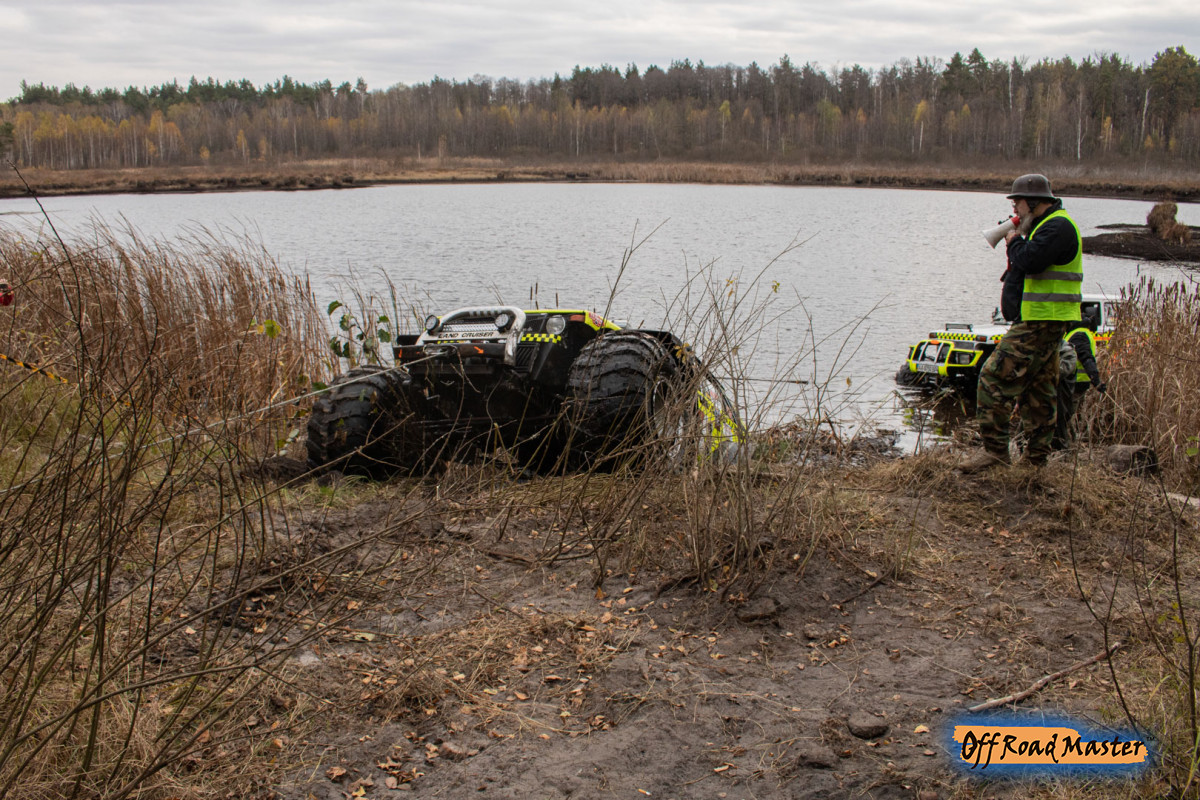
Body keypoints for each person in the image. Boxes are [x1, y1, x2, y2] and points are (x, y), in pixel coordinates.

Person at [960, 174, 1083, 472]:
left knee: (992, 377)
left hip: (1042, 321)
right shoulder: (1048, 224)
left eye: (1018, 203)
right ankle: (1035, 462)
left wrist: (1013, 242)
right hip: (1043, 320)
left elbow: (1029, 260)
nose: (1015, 210)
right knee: (1039, 390)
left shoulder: (1057, 226)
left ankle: (995, 451)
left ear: (1033, 202)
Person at [1052, 305, 1106, 449]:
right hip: (1078, 382)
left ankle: (1067, 447)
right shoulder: (1082, 332)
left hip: (1074, 383)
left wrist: (1096, 380)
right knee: (1070, 415)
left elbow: (1086, 358)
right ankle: (1074, 443)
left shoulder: (1078, 335)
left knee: (1065, 416)